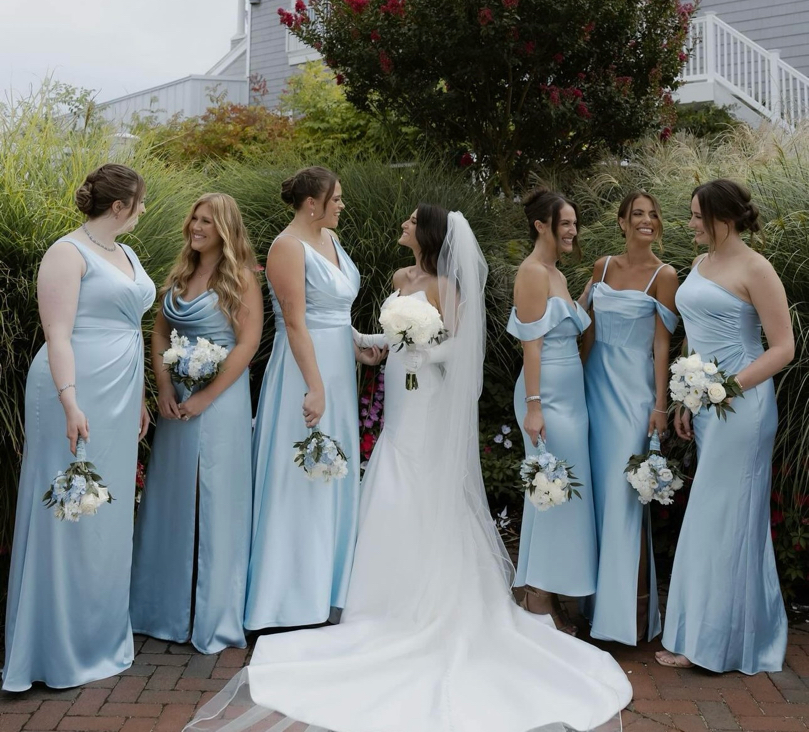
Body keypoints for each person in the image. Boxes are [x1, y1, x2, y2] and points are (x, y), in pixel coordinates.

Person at [184, 205, 632, 732]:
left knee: (418, 478)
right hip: (398, 388)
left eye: (410, 221)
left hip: (427, 396)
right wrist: (373, 345)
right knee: (391, 471)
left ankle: (426, 599)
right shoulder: (401, 277)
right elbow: (394, 341)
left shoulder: (447, 285)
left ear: (426, 233)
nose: (402, 225)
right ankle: (380, 598)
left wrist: (423, 353)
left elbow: (460, 349)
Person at [3, 164, 155, 691]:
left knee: (104, 515)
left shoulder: (127, 253)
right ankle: (55, 649)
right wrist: (69, 403)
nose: (143, 209)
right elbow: (58, 334)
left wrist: (138, 398)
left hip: (118, 398)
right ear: (119, 206)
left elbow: (131, 327)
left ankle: (97, 637)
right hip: (73, 389)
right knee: (66, 509)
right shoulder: (66, 253)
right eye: (139, 201)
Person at [657, 179, 793, 673]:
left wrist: (727, 389)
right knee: (711, 517)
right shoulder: (698, 265)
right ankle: (703, 637)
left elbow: (783, 348)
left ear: (724, 217)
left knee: (728, 519)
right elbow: (694, 343)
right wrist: (687, 398)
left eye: (697, 215)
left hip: (745, 407)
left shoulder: (756, 267)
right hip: (709, 406)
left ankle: (720, 645)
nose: (690, 223)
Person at [244, 167, 382, 630]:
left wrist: (359, 344)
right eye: (335, 198)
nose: (342, 205)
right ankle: (285, 597)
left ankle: (325, 589)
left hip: (339, 367)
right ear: (311, 203)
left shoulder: (331, 241)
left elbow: (336, 315)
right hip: (304, 372)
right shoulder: (288, 247)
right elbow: (296, 322)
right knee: (299, 473)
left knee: (331, 473)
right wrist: (315, 385)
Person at [130, 193, 263, 653]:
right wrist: (165, 387)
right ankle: (161, 608)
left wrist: (206, 396)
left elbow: (247, 344)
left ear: (224, 228)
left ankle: (213, 613)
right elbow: (161, 331)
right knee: (171, 497)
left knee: (216, 500)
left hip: (220, 401)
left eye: (206, 221)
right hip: (177, 402)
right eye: (194, 218)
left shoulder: (242, 277)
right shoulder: (181, 273)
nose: (196, 226)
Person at [580, 191, 679, 645]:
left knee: (623, 502)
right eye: (637, 214)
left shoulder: (665, 275)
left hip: (633, 395)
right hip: (594, 389)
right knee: (597, 499)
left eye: (652, 215)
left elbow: (662, 344)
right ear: (621, 221)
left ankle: (624, 621)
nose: (646, 220)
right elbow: (588, 331)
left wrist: (659, 405)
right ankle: (593, 606)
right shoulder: (602, 267)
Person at [507, 187, 596, 635]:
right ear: (541, 225)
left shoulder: (556, 273)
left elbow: (565, 320)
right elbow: (532, 345)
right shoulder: (532, 272)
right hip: (547, 399)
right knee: (550, 491)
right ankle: (538, 594)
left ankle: (556, 587)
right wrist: (535, 406)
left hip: (573, 397)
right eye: (565, 223)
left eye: (574, 224)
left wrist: (591, 292)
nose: (572, 231)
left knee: (569, 495)